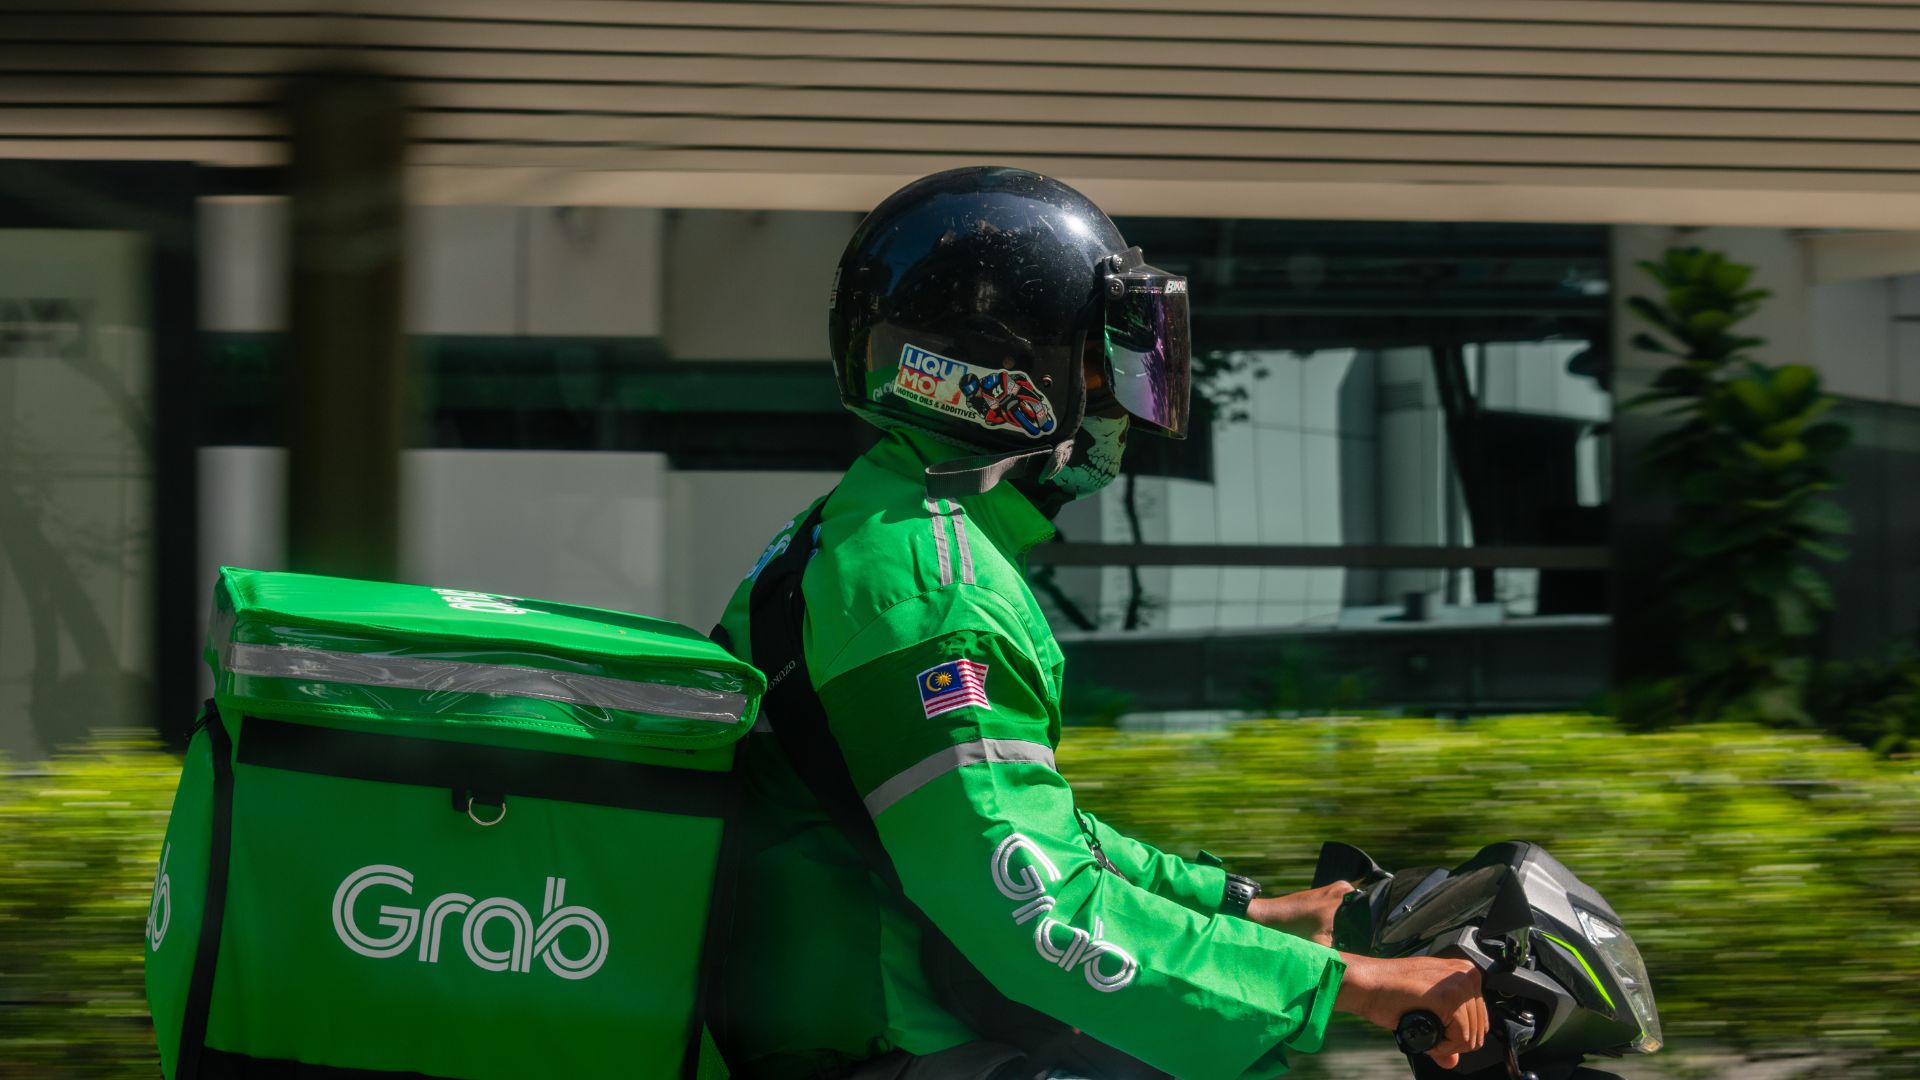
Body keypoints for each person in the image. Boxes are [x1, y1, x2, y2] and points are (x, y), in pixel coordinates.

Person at [710, 166, 1486, 1080]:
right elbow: (1034, 917)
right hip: (882, 1044)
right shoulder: (933, 595)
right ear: (1000, 373)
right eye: (1094, 361)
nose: (1120, 396)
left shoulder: (863, 531)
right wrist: (1347, 983)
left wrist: (1244, 907)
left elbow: (1023, 827)